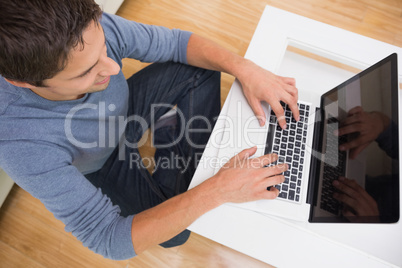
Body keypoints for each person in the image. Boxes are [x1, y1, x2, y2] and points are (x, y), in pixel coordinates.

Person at [0, 0, 299, 260]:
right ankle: (174, 135)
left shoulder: (82, 31)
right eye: (87, 71)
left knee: (201, 69)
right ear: (25, 83)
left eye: (104, 48)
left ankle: (170, 132)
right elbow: (108, 238)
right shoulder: (18, 141)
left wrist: (246, 68)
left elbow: (177, 43)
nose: (114, 68)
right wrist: (217, 190)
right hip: (100, 163)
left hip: (124, 114)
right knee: (176, 235)